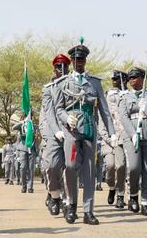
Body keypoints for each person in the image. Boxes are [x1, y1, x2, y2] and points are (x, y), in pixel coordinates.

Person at [50, 42, 114, 225]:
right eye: (76, 59)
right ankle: (71, 205)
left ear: (86, 60)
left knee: (90, 171)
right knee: (70, 166)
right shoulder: (63, 82)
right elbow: (58, 108)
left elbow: (104, 109)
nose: (79, 61)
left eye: (82, 58)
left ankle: (88, 211)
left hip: (89, 129)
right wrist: (65, 119)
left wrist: (112, 132)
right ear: (72, 60)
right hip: (71, 130)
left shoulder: (94, 82)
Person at [117, 66, 147, 216]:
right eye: (130, 78)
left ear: (143, 79)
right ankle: (133, 197)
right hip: (132, 136)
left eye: (135, 77)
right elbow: (123, 117)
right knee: (134, 168)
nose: (132, 80)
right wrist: (132, 134)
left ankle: (145, 202)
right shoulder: (124, 96)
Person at [40, 53, 71, 216]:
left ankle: (67, 202)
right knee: (51, 167)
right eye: (58, 66)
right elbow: (48, 113)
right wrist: (53, 132)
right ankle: (54, 195)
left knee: (69, 169)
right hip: (53, 132)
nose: (62, 69)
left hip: (71, 131)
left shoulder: (73, 85)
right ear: (54, 69)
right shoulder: (48, 89)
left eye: (65, 66)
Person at [104, 70, 128, 209]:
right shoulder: (108, 95)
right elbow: (104, 118)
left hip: (122, 136)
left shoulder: (127, 95)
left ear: (123, 81)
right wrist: (107, 137)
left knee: (121, 166)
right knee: (110, 166)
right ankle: (111, 187)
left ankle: (120, 195)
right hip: (109, 136)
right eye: (113, 79)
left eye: (116, 79)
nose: (113, 81)